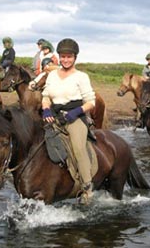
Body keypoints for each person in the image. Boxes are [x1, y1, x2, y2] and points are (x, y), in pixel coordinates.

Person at [41, 38, 96, 204]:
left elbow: (91, 102)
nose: (66, 60)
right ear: (59, 57)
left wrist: (76, 112)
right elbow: (45, 96)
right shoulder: (52, 76)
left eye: (69, 57)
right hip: (55, 116)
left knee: (78, 148)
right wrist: (46, 109)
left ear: (75, 58)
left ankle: (87, 187)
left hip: (74, 117)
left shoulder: (81, 76)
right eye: (63, 56)